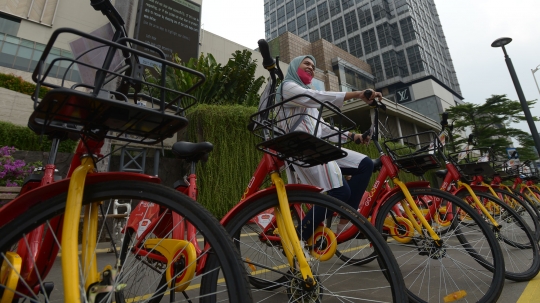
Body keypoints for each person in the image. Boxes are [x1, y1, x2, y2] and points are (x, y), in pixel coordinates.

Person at [276, 55, 381, 242]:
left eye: (313, 66)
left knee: (365, 164)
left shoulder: (307, 98)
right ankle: (301, 236)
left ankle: (344, 221)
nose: (311, 67)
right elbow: (316, 96)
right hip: (302, 149)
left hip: (319, 148)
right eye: (306, 63)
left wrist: (353, 136)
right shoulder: (288, 87)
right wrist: (356, 94)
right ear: (294, 67)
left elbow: (323, 128)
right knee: (340, 192)